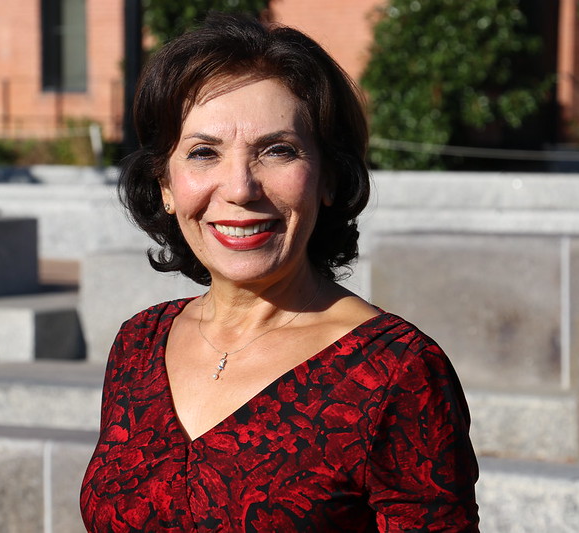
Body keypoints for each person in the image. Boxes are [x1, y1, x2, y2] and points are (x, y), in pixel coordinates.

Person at [80, 13, 479, 532]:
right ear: (166, 186)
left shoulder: (397, 373)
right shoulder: (138, 344)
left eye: (277, 151)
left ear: (329, 178)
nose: (240, 188)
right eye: (203, 153)